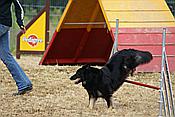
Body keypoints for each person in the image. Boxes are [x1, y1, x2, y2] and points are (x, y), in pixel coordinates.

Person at [0, 0, 32, 95]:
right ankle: (24, 83)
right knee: (6, 56)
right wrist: (20, 22)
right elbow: (18, 6)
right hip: (5, 24)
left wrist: (20, 22)